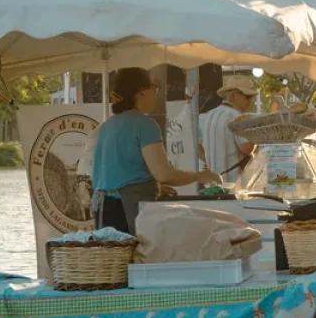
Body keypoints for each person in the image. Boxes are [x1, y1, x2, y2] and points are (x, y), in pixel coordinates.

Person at [93, 68, 220, 231]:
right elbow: (164, 174)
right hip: (126, 209)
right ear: (140, 91)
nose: (156, 93)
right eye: (155, 88)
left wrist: (153, 185)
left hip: (102, 208)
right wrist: (199, 176)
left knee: (114, 255)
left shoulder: (107, 125)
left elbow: (116, 173)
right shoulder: (144, 124)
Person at [198, 75, 257, 182]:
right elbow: (246, 149)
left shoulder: (208, 115)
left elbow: (198, 147)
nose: (250, 101)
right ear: (234, 95)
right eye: (247, 97)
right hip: (234, 182)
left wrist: (210, 160)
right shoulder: (237, 116)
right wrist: (257, 136)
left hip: (212, 182)